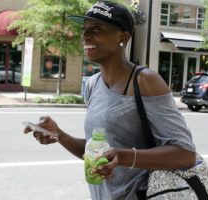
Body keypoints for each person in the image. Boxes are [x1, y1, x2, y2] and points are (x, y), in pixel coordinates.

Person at [24, 1, 196, 200]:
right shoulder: (91, 84)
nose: (85, 36)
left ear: (122, 38)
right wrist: (59, 134)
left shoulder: (145, 81)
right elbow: (97, 152)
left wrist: (123, 157)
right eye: (85, 29)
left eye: (96, 29)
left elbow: (185, 154)